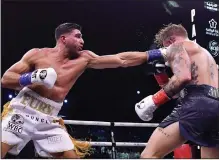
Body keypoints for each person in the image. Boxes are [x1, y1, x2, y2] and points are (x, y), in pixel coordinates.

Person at [1, 22, 167, 158]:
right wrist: (33, 77)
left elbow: (120, 59)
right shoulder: (37, 54)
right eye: (78, 36)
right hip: (23, 111)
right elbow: (5, 79)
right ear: (63, 39)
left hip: (49, 119)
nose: (83, 41)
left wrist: (157, 53)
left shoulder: (84, 58)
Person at [135, 24, 219, 158]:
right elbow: (176, 91)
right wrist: (159, 73)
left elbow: (183, 78)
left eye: (165, 46)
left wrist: (154, 100)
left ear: (170, 41)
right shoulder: (205, 55)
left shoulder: (177, 46)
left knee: (148, 155)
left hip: (196, 103)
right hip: (215, 107)